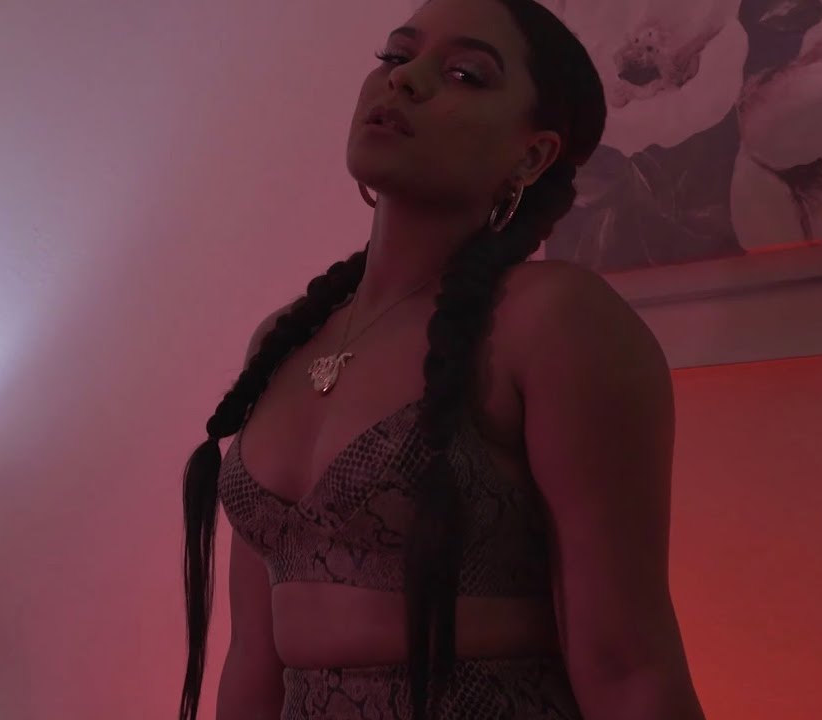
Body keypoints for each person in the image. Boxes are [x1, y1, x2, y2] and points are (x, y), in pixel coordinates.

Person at [179, 0, 709, 718]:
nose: (404, 80)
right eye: (396, 57)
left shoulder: (554, 318)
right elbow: (253, 659)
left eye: (464, 73)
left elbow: (629, 668)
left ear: (531, 155)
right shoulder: (283, 339)